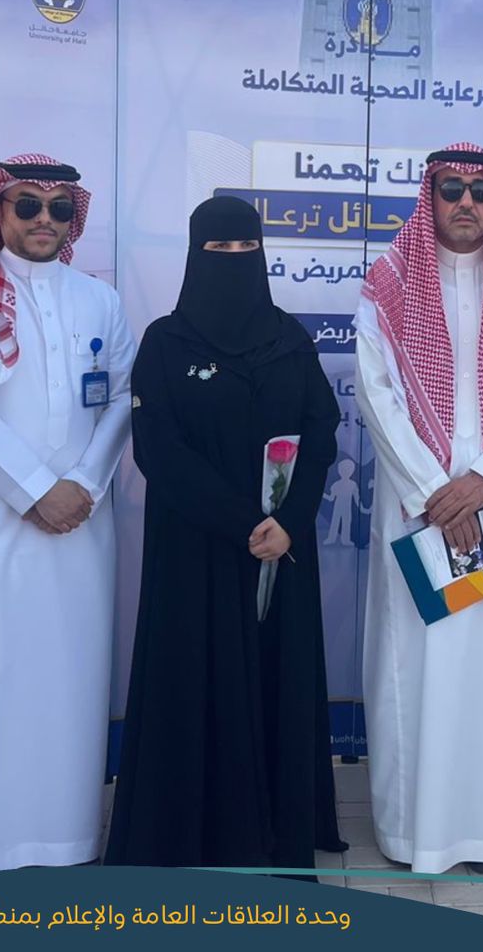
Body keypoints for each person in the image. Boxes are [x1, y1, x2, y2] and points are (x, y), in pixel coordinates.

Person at [106, 195, 345, 870]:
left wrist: (288, 522)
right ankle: (191, 836)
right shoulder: (166, 343)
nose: (235, 261)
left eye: (247, 249)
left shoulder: (290, 339)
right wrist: (245, 522)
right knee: (194, 678)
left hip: (281, 550)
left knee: (275, 678)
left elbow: (322, 431)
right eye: (219, 250)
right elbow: (159, 449)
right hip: (196, 548)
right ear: (195, 256)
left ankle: (275, 833)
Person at [355, 143, 483, 875]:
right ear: (431, 195)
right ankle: (411, 832)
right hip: (418, 506)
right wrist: (435, 492)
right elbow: (377, 396)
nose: (467, 202)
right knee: (416, 668)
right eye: (452, 189)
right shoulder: (389, 281)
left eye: (481, 190)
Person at [0, 155, 135, 874]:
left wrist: (82, 482)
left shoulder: (98, 298)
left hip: (83, 524)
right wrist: (32, 488)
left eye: (58, 208)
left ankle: (67, 838)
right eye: (27, 205)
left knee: (72, 681)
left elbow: (121, 397)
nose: (44, 220)